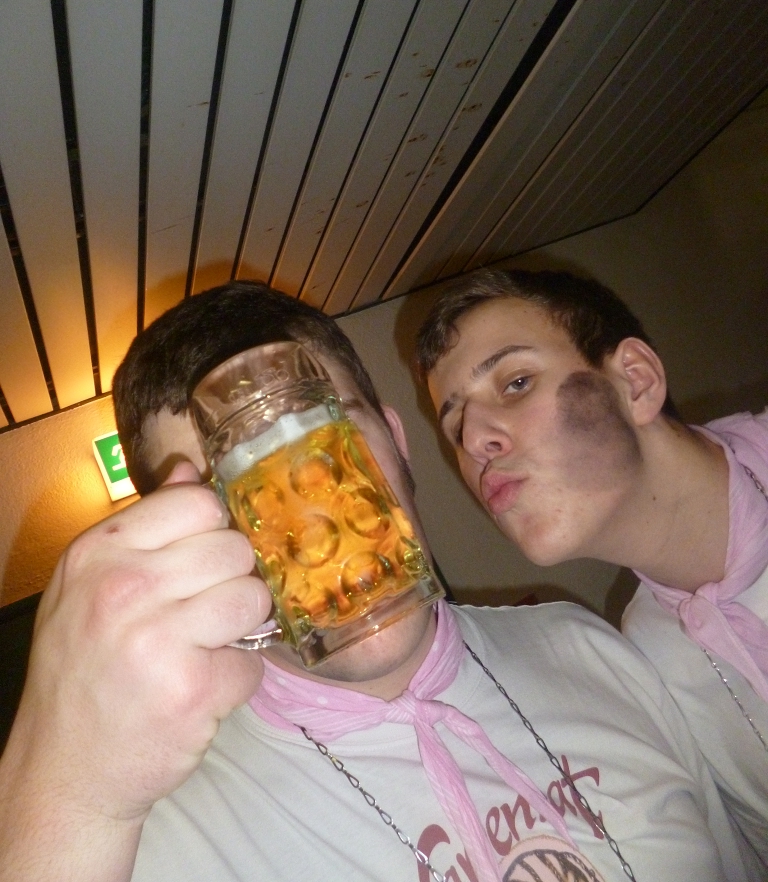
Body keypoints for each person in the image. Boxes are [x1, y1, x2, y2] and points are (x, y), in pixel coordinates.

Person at [0, 281, 752, 882]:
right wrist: (64, 796)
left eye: (326, 442)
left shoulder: (590, 646)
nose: (305, 519)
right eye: (236, 489)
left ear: (394, 442)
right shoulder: (138, 835)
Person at [416, 266, 768, 877]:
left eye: (516, 383)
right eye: (455, 426)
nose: (474, 441)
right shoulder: (647, 655)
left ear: (636, 381)